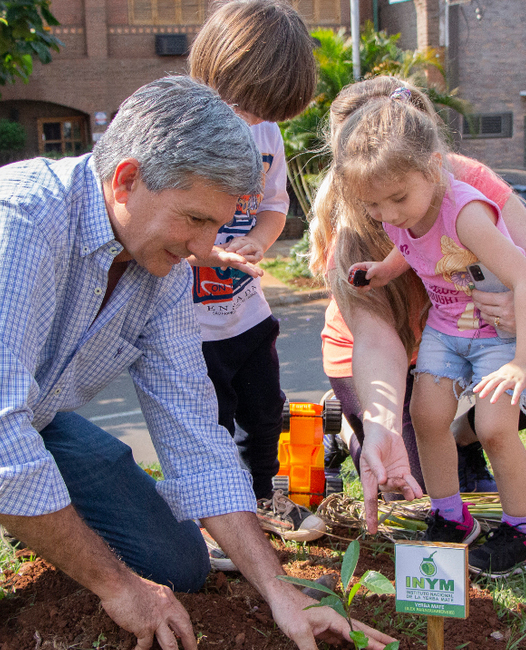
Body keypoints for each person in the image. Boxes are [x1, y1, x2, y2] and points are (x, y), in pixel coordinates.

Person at [0, 77, 397, 650]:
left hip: (28, 415)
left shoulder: (159, 267)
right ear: (126, 180)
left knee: (180, 564)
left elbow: (195, 433)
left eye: (215, 225)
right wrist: (119, 588)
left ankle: (43, 525)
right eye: (194, 219)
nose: (202, 247)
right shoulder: (18, 225)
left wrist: (278, 589)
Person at [310, 77, 526, 528]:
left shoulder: (465, 191)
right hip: (377, 358)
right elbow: (376, 337)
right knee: (405, 478)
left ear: (423, 158)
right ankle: (353, 429)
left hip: (464, 334)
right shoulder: (352, 215)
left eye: (399, 196)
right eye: (374, 201)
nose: (389, 214)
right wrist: (380, 421)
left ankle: (468, 442)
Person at [187, 0, 326, 542]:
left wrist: (259, 240)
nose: (251, 120)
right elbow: (155, 229)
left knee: (266, 413)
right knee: (211, 424)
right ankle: (215, 518)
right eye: (244, 103)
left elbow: (274, 205)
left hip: (246, 311)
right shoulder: (184, 129)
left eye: (264, 110)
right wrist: (206, 252)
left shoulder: (267, 135)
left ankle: (265, 497)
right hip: (191, 325)